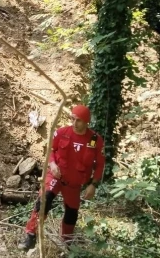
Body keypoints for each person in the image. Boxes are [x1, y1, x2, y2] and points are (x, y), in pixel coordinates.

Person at [19, 104, 105, 250]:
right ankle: (31, 236)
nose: (74, 124)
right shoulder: (61, 133)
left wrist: (93, 185)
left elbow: (100, 165)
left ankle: (66, 243)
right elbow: (51, 151)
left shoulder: (95, 140)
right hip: (55, 175)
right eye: (72, 119)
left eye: (78, 120)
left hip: (74, 183)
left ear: (86, 121)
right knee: (44, 200)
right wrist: (52, 164)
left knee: (72, 213)